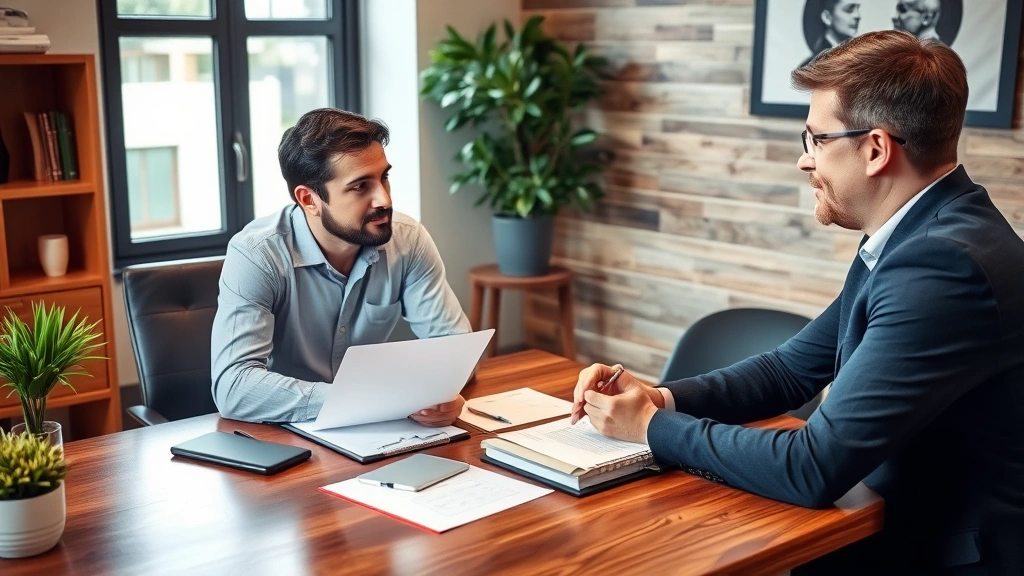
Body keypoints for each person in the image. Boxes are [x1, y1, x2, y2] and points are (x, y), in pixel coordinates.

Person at [572, 31, 1024, 575]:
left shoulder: (941, 267)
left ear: (876, 149)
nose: (803, 161)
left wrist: (649, 428)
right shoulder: (922, 232)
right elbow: (792, 368)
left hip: (940, 555)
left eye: (816, 139)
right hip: (891, 521)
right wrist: (661, 398)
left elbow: (812, 468)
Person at [211, 108, 472, 425]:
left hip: (378, 430)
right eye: (360, 186)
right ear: (309, 200)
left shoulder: (408, 240)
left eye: (384, 177)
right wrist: (370, 399)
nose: (384, 200)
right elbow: (234, 388)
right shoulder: (257, 255)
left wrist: (436, 396)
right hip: (283, 435)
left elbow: (458, 352)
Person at [799, 0, 861, 67]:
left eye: (857, 9)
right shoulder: (811, 67)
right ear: (827, 17)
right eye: (849, 9)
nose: (857, 16)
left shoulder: (859, 59)